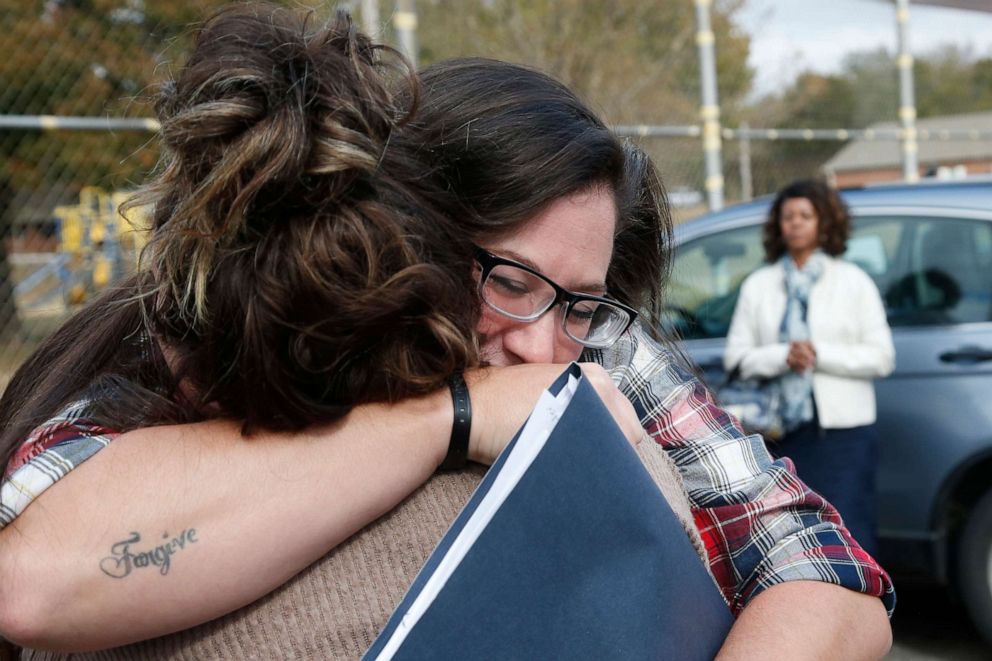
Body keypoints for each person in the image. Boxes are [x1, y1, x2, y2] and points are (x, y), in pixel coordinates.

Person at [0, 8, 894, 659]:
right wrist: (456, 415)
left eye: (581, 301)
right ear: (405, 230)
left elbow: (824, 567)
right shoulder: (215, 352)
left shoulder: (599, 343)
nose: (543, 350)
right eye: (508, 280)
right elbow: (39, 579)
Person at [724, 178, 896, 557]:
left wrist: (817, 354)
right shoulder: (760, 285)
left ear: (824, 223)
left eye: (806, 215)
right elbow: (736, 358)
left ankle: (856, 614)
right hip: (776, 433)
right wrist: (784, 356)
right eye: (788, 216)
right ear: (778, 226)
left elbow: (882, 357)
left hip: (842, 436)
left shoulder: (853, 282)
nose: (796, 223)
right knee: (789, 538)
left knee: (850, 534)